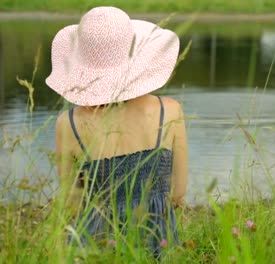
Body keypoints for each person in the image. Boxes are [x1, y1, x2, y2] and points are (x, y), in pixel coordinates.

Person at [46, 6, 188, 258]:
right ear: (133, 52)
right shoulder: (171, 111)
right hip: (156, 240)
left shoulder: (68, 124)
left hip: (94, 244)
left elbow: (72, 203)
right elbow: (177, 195)